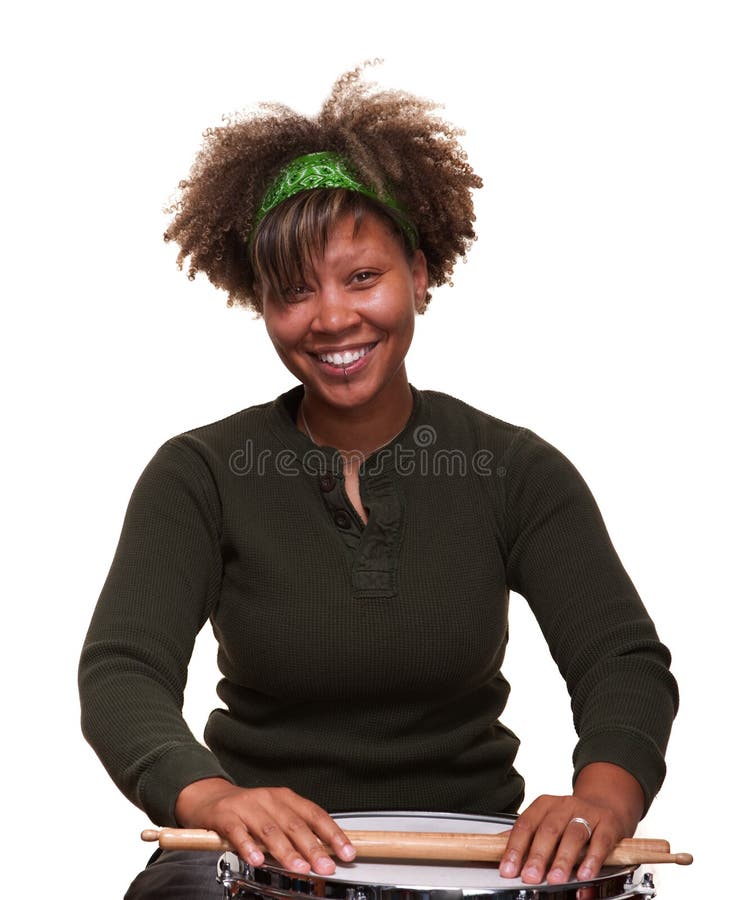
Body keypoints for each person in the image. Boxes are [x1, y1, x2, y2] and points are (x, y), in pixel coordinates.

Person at [78, 64, 678, 899]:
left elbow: (622, 659)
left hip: (482, 854)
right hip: (247, 858)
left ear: (421, 273)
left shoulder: (516, 470)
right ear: (260, 304)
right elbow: (121, 672)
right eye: (294, 291)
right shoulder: (200, 474)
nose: (331, 318)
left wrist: (601, 800)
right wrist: (214, 797)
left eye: (362, 277)